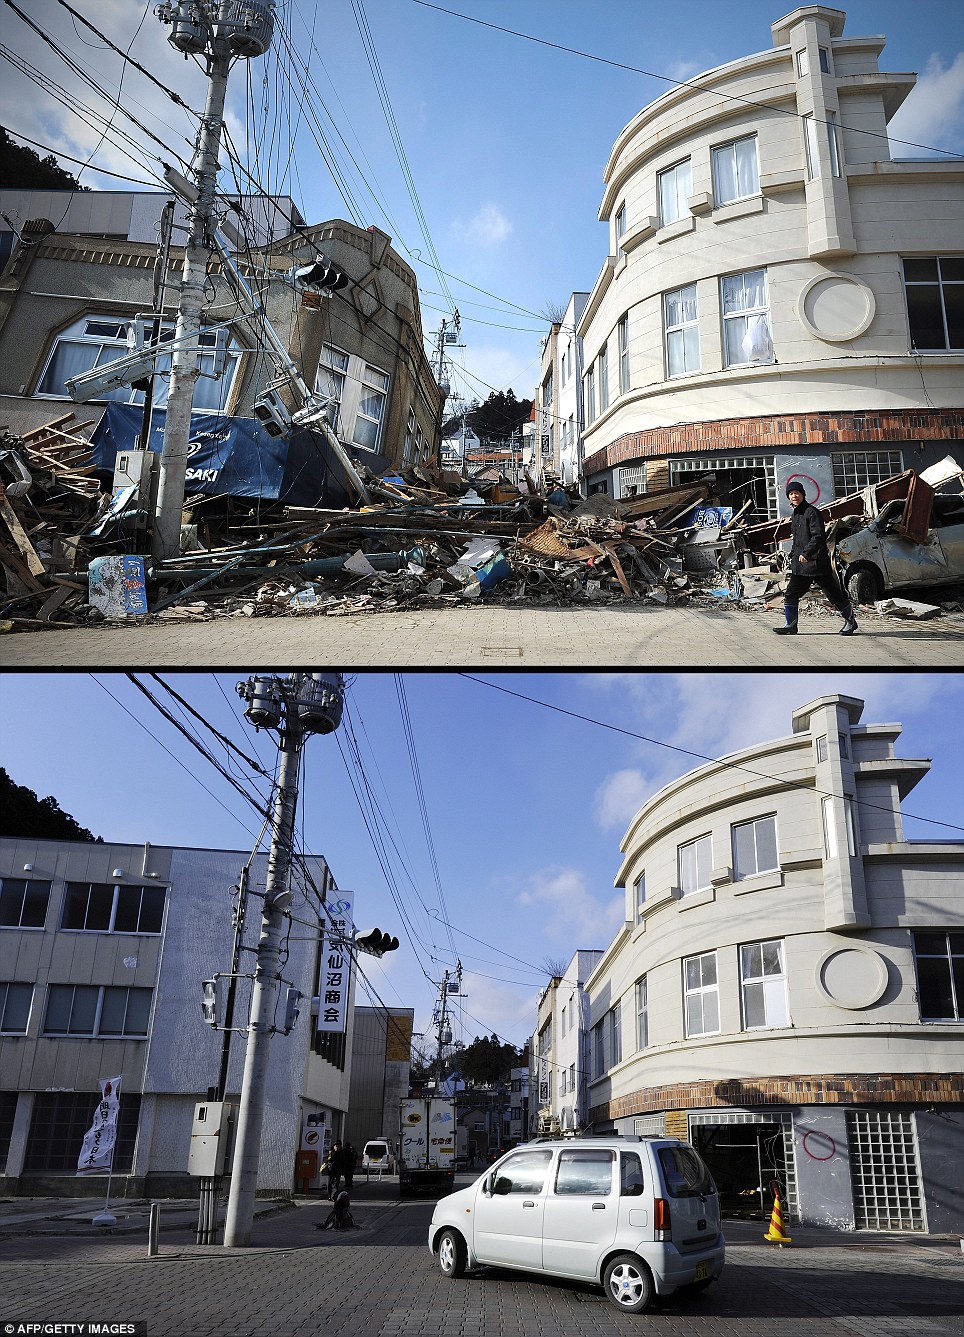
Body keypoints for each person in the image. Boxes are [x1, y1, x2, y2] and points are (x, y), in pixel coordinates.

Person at [773, 481, 858, 636]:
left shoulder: (812, 512)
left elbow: (818, 536)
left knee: (834, 595)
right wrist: (792, 555)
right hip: (801, 567)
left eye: (796, 493)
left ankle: (851, 622)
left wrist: (806, 554)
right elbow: (798, 540)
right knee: (791, 594)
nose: (794, 496)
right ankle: (790, 625)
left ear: (803, 494)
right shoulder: (796, 514)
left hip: (817, 565)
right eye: (791, 494)